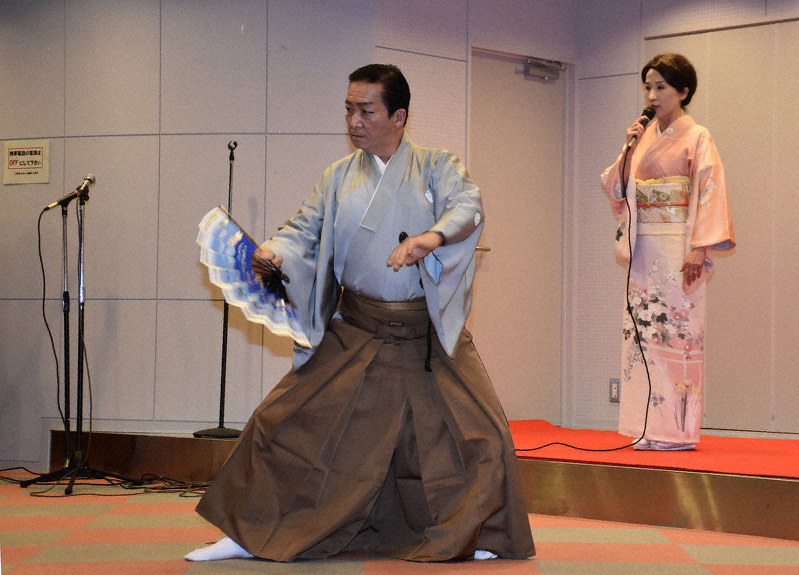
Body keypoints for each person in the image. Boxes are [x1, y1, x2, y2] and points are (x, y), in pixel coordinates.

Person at [185, 64, 535, 563]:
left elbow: (468, 206)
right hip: (358, 328)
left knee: (482, 433)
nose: (354, 121)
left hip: (427, 334)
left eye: (366, 110)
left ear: (399, 117)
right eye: (349, 109)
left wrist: (430, 237)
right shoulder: (338, 177)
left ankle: (477, 535)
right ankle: (247, 533)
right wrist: (276, 250)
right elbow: (303, 227)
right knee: (281, 421)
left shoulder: (436, 166)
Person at [600, 53, 735, 451]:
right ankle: (647, 425)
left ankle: (677, 431)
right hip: (646, 247)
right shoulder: (642, 137)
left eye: (661, 87)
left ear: (684, 91)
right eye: (648, 87)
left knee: (676, 334)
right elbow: (615, 186)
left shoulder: (698, 136)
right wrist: (629, 151)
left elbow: (709, 189)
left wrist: (699, 247)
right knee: (643, 333)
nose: (652, 95)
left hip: (678, 245)